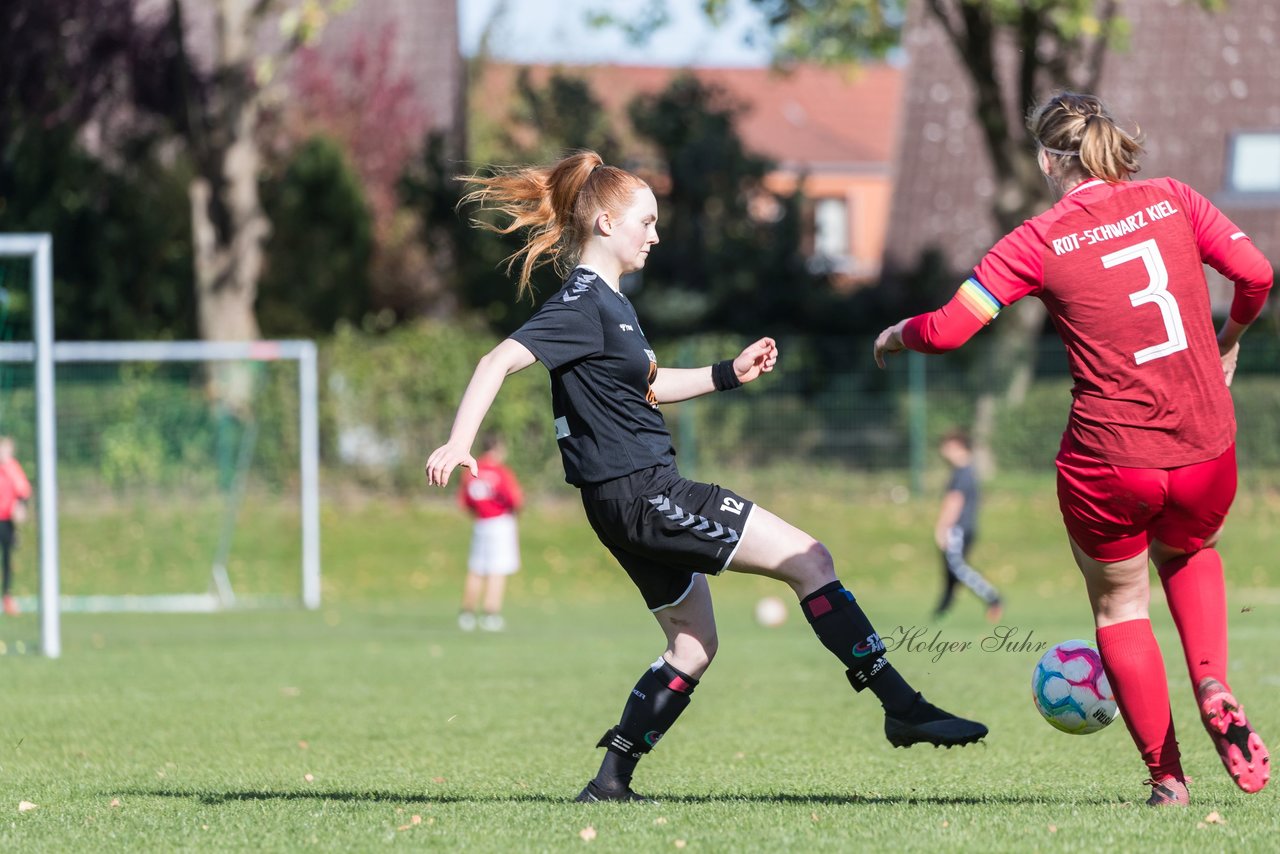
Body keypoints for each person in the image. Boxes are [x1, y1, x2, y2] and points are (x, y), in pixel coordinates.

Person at [427, 150, 987, 803]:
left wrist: (729, 372)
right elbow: (498, 359)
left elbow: (651, 385)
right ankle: (902, 704)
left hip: (624, 499)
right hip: (645, 493)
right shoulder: (583, 302)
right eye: (648, 221)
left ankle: (610, 782)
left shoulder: (611, 306)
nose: (656, 235)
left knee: (693, 646)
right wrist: (459, 442)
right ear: (606, 223)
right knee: (811, 559)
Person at [874, 92, 1273, 806]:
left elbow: (949, 330)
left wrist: (897, 333)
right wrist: (1230, 340)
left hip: (1111, 461)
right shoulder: (1174, 198)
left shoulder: (1036, 240)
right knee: (1189, 553)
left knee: (1122, 609)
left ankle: (1169, 781)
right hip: (1205, 448)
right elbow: (1258, 275)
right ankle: (1212, 679)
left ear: (1046, 159)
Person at [932, 430, 1002, 622]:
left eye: (947, 447)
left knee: (957, 568)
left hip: (957, 530)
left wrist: (942, 528)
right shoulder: (969, 472)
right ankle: (941, 611)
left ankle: (993, 597)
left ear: (958, 447)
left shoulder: (961, 473)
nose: (943, 451)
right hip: (966, 528)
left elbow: (954, 502)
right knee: (950, 570)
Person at [457, 433, 523, 632]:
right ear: (498, 448)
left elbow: (465, 502)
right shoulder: (501, 471)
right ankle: (490, 614)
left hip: (480, 523)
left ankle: (467, 615)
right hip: (500, 523)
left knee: (477, 569)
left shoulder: (470, 471)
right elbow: (515, 500)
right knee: (497, 570)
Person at [0, 436, 31, 616]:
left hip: (6, 521)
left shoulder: (13, 469)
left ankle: (7, 597)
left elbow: (23, 491)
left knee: (7, 559)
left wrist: (20, 507)